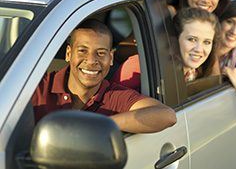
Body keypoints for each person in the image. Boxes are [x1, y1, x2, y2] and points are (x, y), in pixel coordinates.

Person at [32, 19, 177, 133]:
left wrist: (102, 124)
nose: (91, 61)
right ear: (69, 54)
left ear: (111, 58)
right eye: (82, 51)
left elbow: (166, 115)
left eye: (100, 53)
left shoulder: (114, 95)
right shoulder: (38, 87)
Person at [112, 0, 230, 89]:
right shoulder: (167, 14)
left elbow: (212, 72)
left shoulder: (213, 23)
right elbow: (124, 51)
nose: (206, 0)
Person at [173, 7, 220, 82]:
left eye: (207, 42)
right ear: (175, 39)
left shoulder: (200, 73)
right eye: (192, 39)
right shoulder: (160, 76)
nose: (199, 49)